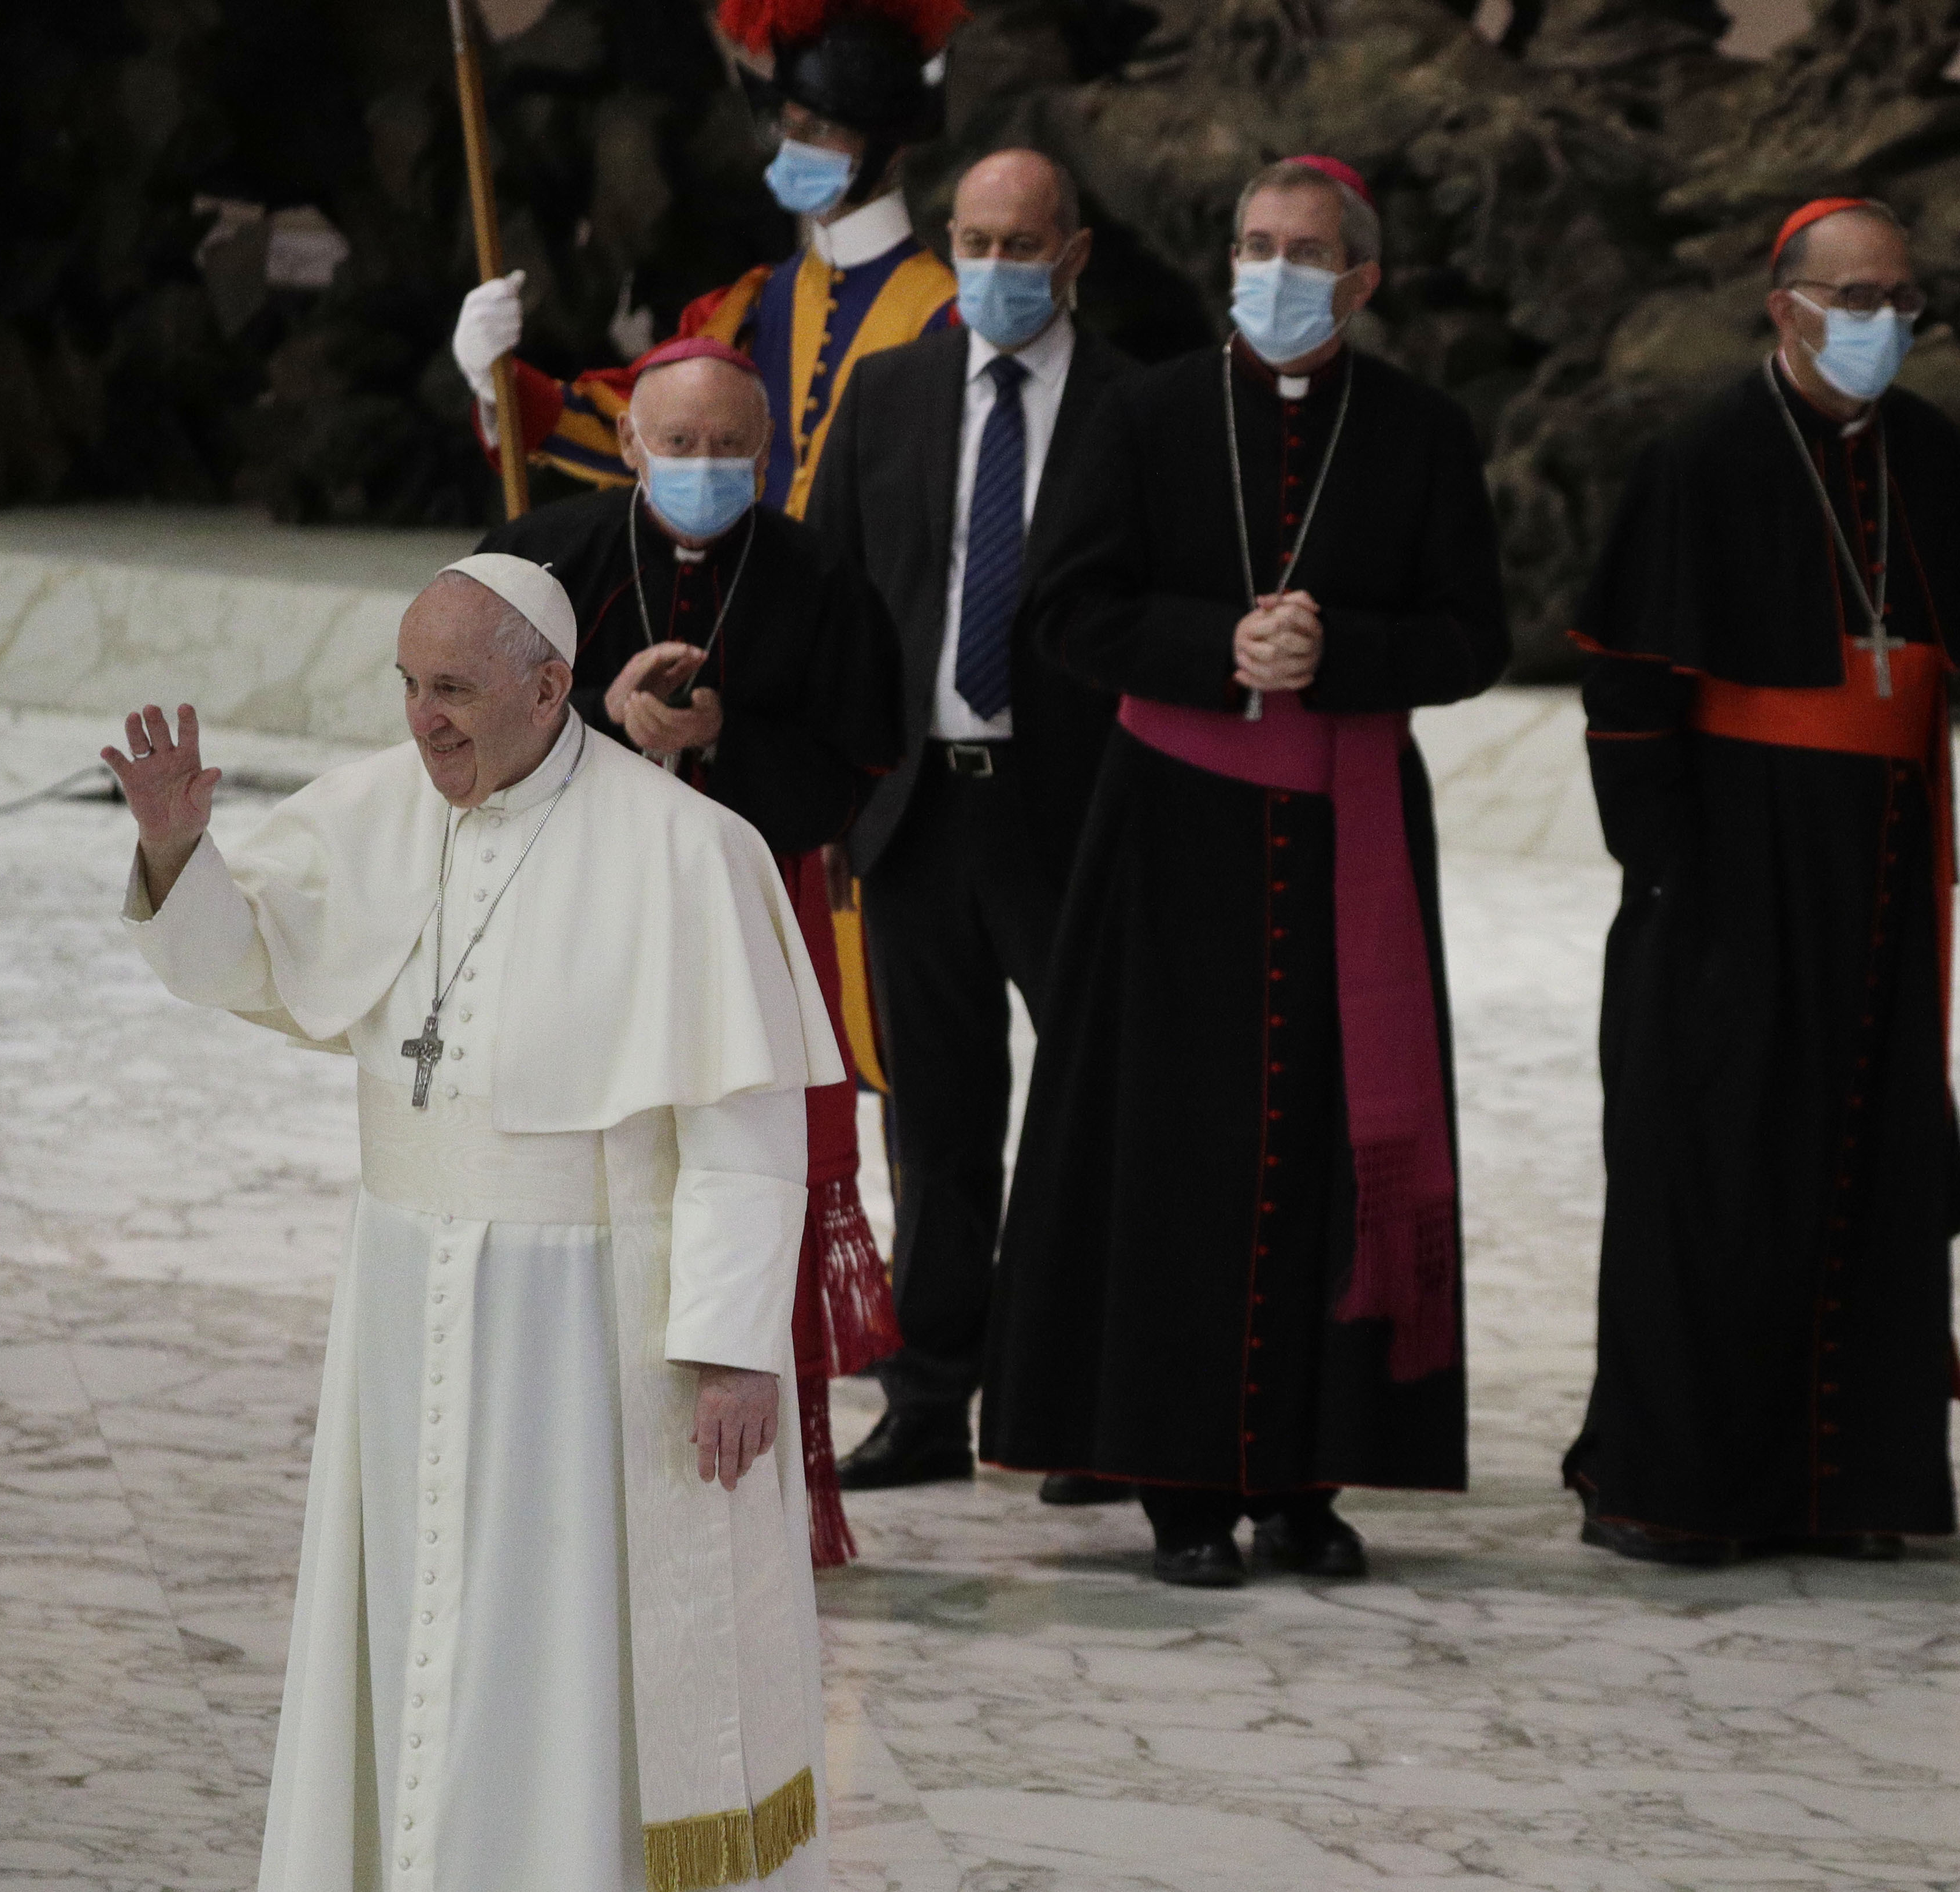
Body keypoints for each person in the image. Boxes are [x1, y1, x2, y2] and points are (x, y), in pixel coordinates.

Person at [103, 556, 842, 1889]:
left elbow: (745, 1120)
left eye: (451, 688)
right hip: (404, 1287)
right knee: (412, 1616)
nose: (420, 719)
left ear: (549, 685)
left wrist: (733, 1342)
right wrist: (175, 849)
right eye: (406, 683)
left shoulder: (687, 848)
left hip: (590, 1321)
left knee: (560, 1638)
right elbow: (237, 960)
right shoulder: (375, 810)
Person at [977, 156, 1508, 1587]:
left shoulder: (1418, 431)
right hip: (1171, 837)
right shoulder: (1148, 413)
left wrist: (1344, 654)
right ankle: (1180, 1484)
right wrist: (1219, 645)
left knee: (1340, 1145)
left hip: (1351, 834)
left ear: (1361, 280)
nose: (1273, 271)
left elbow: (1473, 637)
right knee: (1173, 1154)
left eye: (1305, 252)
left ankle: (1309, 1476)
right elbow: (1067, 615)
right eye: (1253, 246)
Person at [1559, 197, 1960, 1567]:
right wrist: (1664, 873)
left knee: (1864, 1156)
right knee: (1716, 1164)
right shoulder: (1699, 453)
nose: (1882, 321)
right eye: (1855, 297)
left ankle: (1849, 1483)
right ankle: (1684, 1486)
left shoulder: (1925, 449)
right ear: (1784, 307)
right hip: (1731, 857)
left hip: (1877, 856)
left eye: (1900, 297)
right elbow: (1627, 685)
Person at [472, 336, 903, 1567]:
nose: (705, 466)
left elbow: (862, 746)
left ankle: (775, 1500)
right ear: (628, 444)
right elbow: (462, 727)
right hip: (583, 923)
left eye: (730, 448)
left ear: (765, 454)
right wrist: (598, 720)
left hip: (751, 922)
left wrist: (726, 736)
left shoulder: (817, 574)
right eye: (680, 444)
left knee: (739, 1171)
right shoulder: (547, 553)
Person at [808, 149, 1134, 1502]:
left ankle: (1088, 1405)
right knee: (937, 1128)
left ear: (1073, 253)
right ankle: (931, 1398)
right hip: (918, 811)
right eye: (976, 239)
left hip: (1077, 818)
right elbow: (832, 600)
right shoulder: (887, 396)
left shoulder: (1140, 408)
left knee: (1095, 1116)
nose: (998, 265)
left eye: (1025, 242)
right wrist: (829, 785)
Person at [451, 0, 966, 522]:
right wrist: (500, 384)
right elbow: (638, 428)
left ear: (890, 149)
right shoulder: (753, 304)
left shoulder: (947, 315)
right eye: (788, 127)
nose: (795, 147)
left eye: (819, 130)